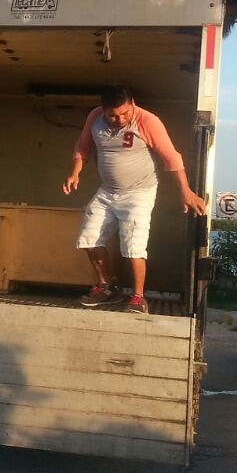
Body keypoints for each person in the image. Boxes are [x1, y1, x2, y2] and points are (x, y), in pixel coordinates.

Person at [62, 85, 207, 313]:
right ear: (103, 110)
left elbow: (172, 157)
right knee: (88, 238)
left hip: (139, 192)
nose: (120, 119)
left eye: (125, 113)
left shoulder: (147, 121)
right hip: (107, 191)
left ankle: (138, 298)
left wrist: (185, 191)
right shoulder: (95, 118)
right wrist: (75, 173)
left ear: (133, 104)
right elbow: (83, 146)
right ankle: (106, 287)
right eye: (113, 115)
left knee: (133, 245)